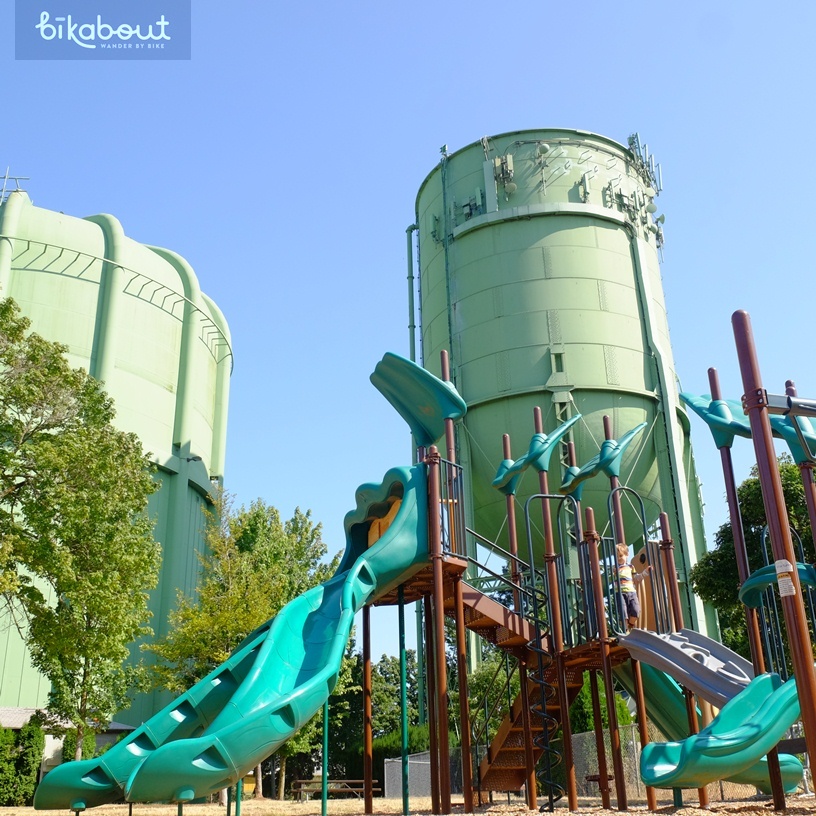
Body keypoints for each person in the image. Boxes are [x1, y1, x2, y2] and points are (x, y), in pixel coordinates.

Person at [615, 543, 650, 630]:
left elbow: (636, 578)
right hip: (620, 593)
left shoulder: (631, 567)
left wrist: (645, 572)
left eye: (620, 555)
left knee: (636, 611)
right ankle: (625, 629)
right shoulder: (615, 568)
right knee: (623, 613)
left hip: (631, 592)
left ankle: (631, 625)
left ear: (627, 555)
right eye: (616, 556)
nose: (618, 558)